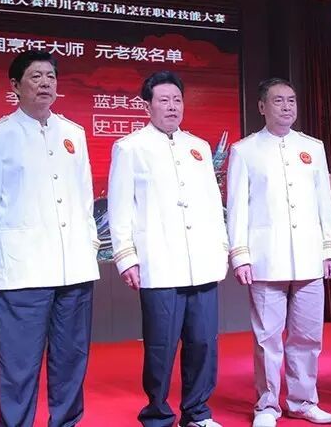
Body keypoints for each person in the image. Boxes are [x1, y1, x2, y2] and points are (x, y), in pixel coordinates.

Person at [0, 50, 100, 427]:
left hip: (75, 267)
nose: (45, 84)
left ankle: (66, 422)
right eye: (35, 77)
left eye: (50, 77)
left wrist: (90, 246)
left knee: (71, 359)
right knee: (19, 364)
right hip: (23, 271)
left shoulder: (73, 133)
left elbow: (85, 197)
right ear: (15, 86)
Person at [107, 71, 227, 427]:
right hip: (158, 263)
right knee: (161, 347)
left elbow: (213, 202)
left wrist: (221, 247)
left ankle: (197, 413)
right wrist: (126, 257)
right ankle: (158, 414)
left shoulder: (198, 147)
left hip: (202, 262)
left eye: (177, 100)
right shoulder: (130, 147)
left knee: (203, 343)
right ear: (147, 106)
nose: (172, 106)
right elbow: (119, 208)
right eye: (164, 100)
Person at [227, 78, 331, 427]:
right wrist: (241, 255)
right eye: (278, 101)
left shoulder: (313, 147)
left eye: (291, 100)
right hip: (266, 258)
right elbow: (236, 208)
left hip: (309, 256)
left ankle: (303, 401)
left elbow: (325, 203)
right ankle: (267, 405)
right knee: (267, 339)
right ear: (262, 107)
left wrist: (330, 249)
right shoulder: (244, 150)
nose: (287, 106)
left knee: (308, 336)